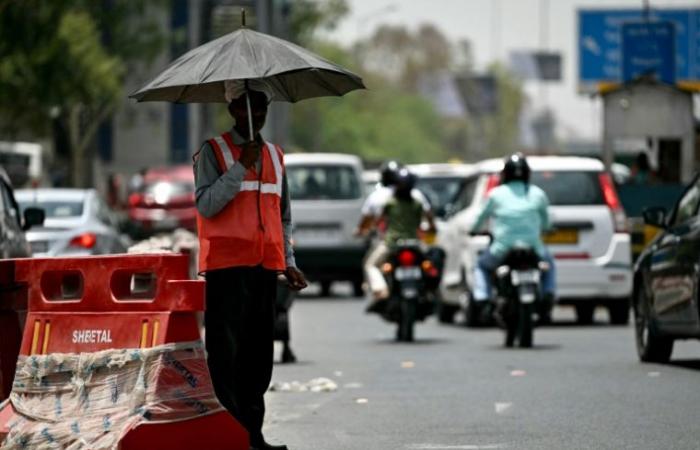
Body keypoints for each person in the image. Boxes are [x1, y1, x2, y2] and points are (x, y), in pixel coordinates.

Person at [193, 82, 307, 450]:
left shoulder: (274, 155)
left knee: (259, 358)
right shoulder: (214, 152)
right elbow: (207, 205)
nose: (256, 115)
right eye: (248, 108)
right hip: (226, 271)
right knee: (226, 358)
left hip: (263, 270)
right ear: (233, 112)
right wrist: (241, 166)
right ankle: (232, 437)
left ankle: (253, 436)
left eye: (261, 108)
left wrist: (288, 261)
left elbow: (283, 216)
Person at [470, 153, 556, 324]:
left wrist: (473, 230)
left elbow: (481, 217)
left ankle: (483, 297)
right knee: (550, 265)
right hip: (533, 248)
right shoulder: (538, 194)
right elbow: (547, 222)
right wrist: (547, 229)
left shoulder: (496, 194)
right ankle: (548, 293)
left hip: (502, 249)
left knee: (481, 266)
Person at [356, 161, 431, 299]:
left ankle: (380, 289)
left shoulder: (387, 201)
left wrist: (365, 230)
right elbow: (428, 220)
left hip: (392, 243)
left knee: (370, 265)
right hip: (415, 242)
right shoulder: (418, 200)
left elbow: (375, 221)